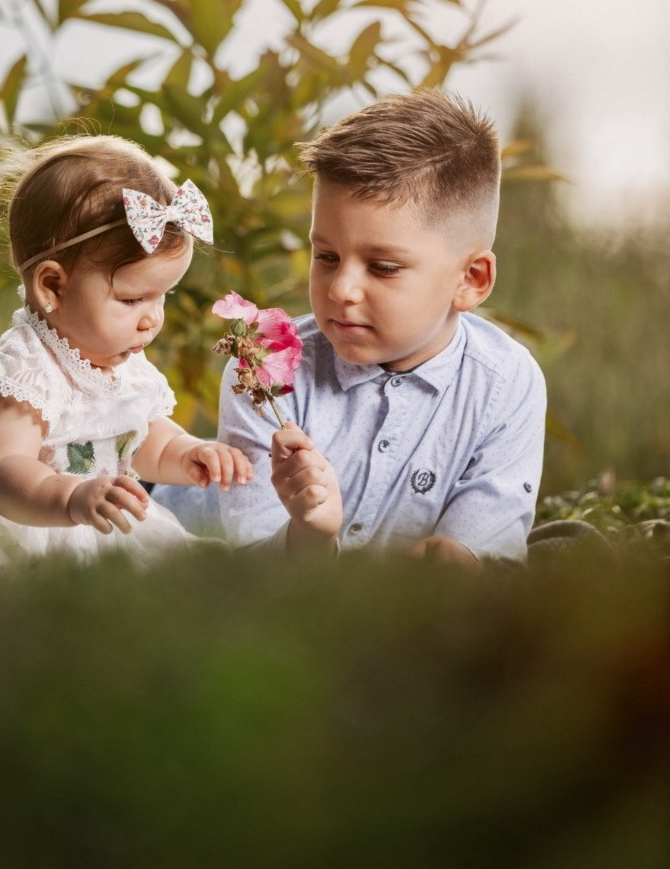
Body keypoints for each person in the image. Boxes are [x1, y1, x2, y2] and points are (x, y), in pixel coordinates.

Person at [192, 91, 546, 562]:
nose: (341, 290)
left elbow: (484, 555)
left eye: (382, 267)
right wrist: (308, 537)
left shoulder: (505, 384)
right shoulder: (267, 368)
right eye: (327, 257)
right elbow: (251, 565)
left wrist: (458, 564)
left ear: (471, 280)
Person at [0, 135, 252, 567]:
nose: (152, 319)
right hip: (13, 517)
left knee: (171, 567)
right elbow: (0, 470)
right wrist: (72, 496)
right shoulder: (23, 372)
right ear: (53, 286)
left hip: (89, 519)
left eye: (161, 296)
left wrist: (186, 454)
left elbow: (141, 438)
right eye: (132, 300)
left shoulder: (122, 364)